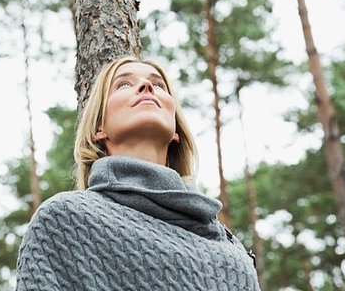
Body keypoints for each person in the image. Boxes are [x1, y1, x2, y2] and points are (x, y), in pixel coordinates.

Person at [16, 56, 260, 290]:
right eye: (124, 83)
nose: (146, 87)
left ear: (175, 130)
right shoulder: (65, 219)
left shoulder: (228, 247)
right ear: (98, 128)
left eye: (158, 84)